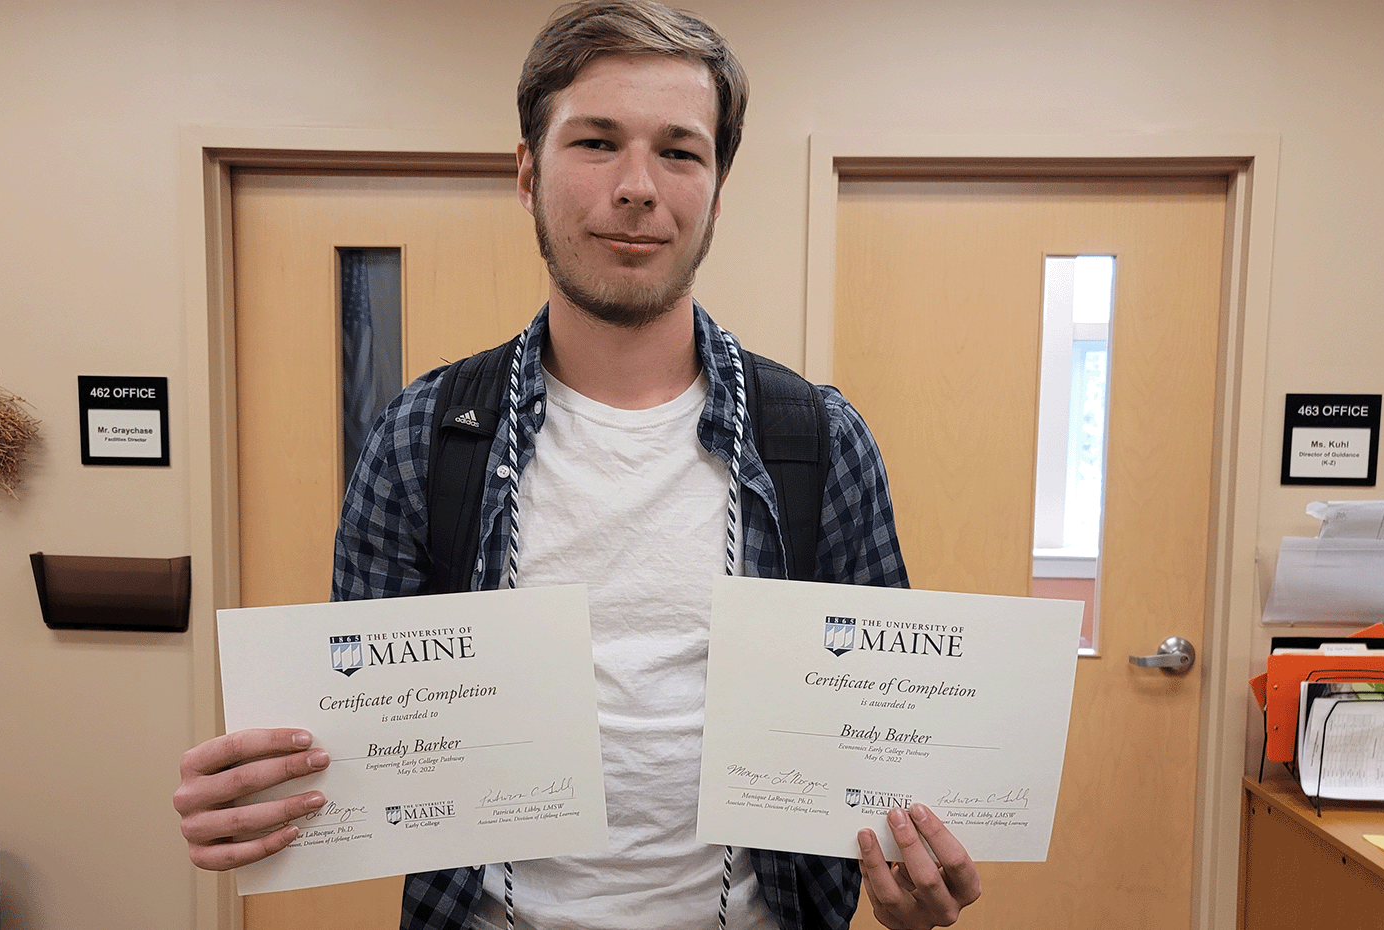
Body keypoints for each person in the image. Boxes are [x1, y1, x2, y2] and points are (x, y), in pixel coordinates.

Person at [173, 2, 982, 928]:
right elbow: (372, 730)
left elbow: (877, 742)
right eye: (596, 142)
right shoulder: (424, 435)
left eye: (680, 151)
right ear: (527, 170)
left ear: (718, 184)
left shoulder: (820, 438)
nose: (638, 186)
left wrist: (914, 888)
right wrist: (255, 800)